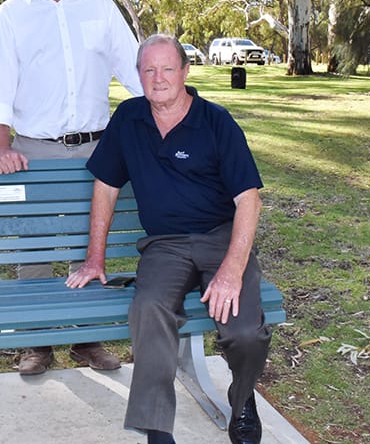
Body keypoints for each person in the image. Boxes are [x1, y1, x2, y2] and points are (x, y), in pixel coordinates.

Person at [66, 35, 271, 444]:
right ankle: (157, 428)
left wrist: (232, 270)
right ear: (139, 74)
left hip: (221, 238)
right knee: (149, 308)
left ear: (185, 72)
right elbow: (105, 187)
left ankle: (242, 396)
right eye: (149, 70)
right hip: (166, 244)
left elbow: (249, 201)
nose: (158, 78)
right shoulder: (129, 119)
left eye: (168, 69)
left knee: (244, 332)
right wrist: (94, 258)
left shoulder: (216, 122)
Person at [0, 0, 143, 376]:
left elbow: (133, 74)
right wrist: (0, 146)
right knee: (33, 248)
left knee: (88, 241)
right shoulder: (11, 14)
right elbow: (0, 87)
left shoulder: (100, 8)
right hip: (34, 149)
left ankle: (86, 337)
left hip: (97, 148)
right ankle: (37, 342)